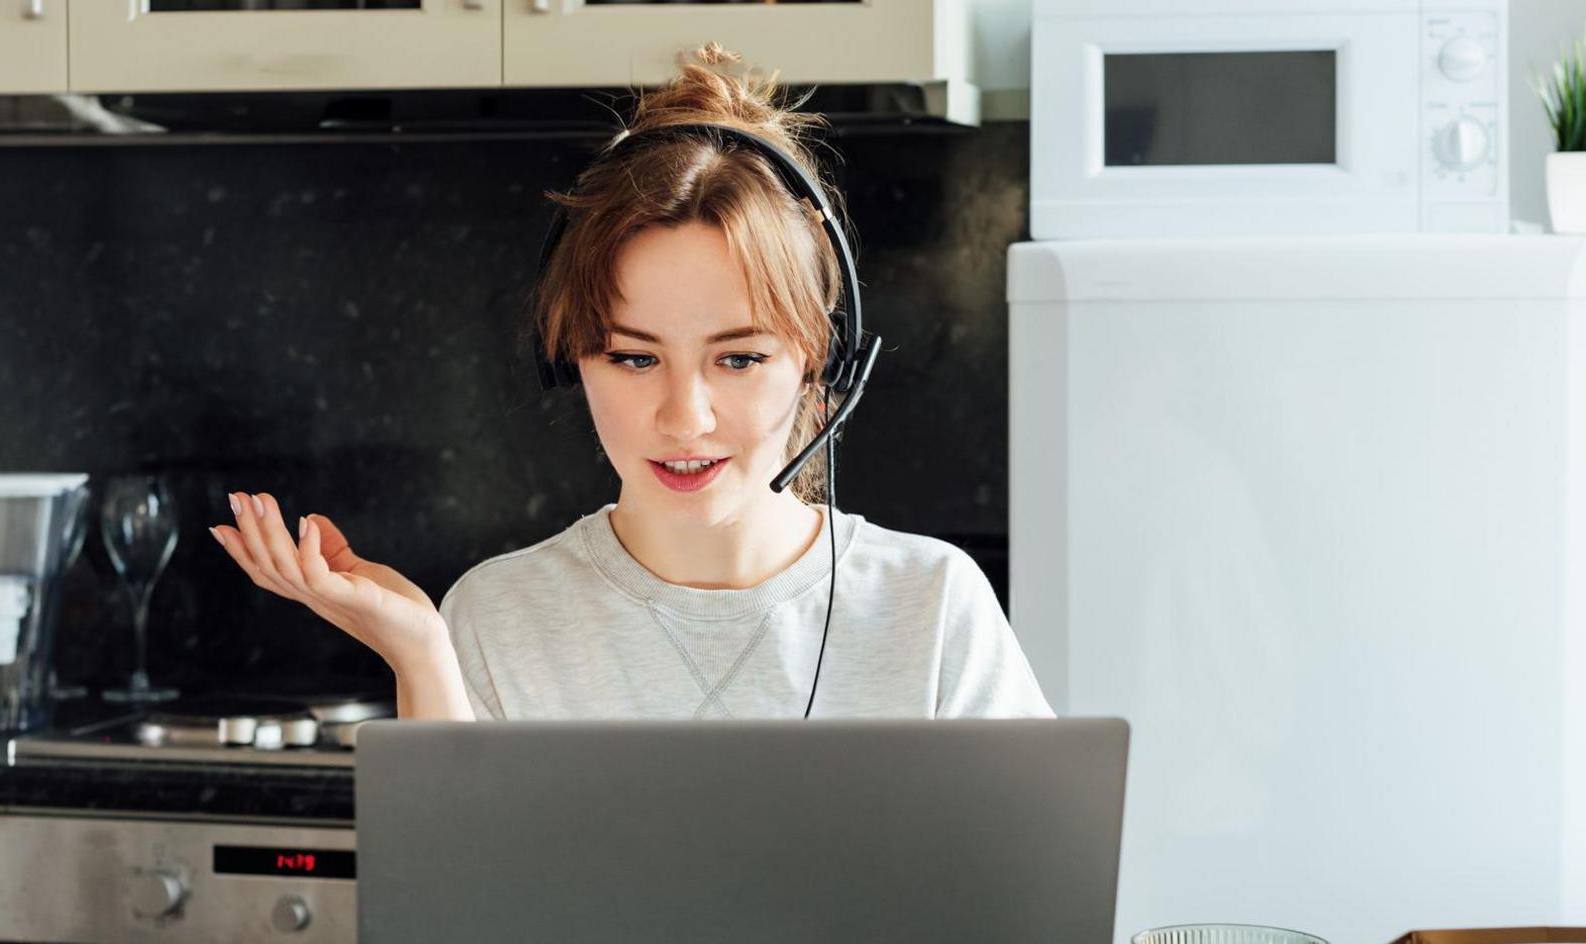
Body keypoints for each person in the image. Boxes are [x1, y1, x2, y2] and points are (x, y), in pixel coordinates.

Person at [207, 42, 1054, 724]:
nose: (684, 418)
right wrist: (421, 655)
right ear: (569, 359)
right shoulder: (498, 618)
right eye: (634, 357)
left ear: (817, 361)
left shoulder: (932, 607)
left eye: (740, 357)